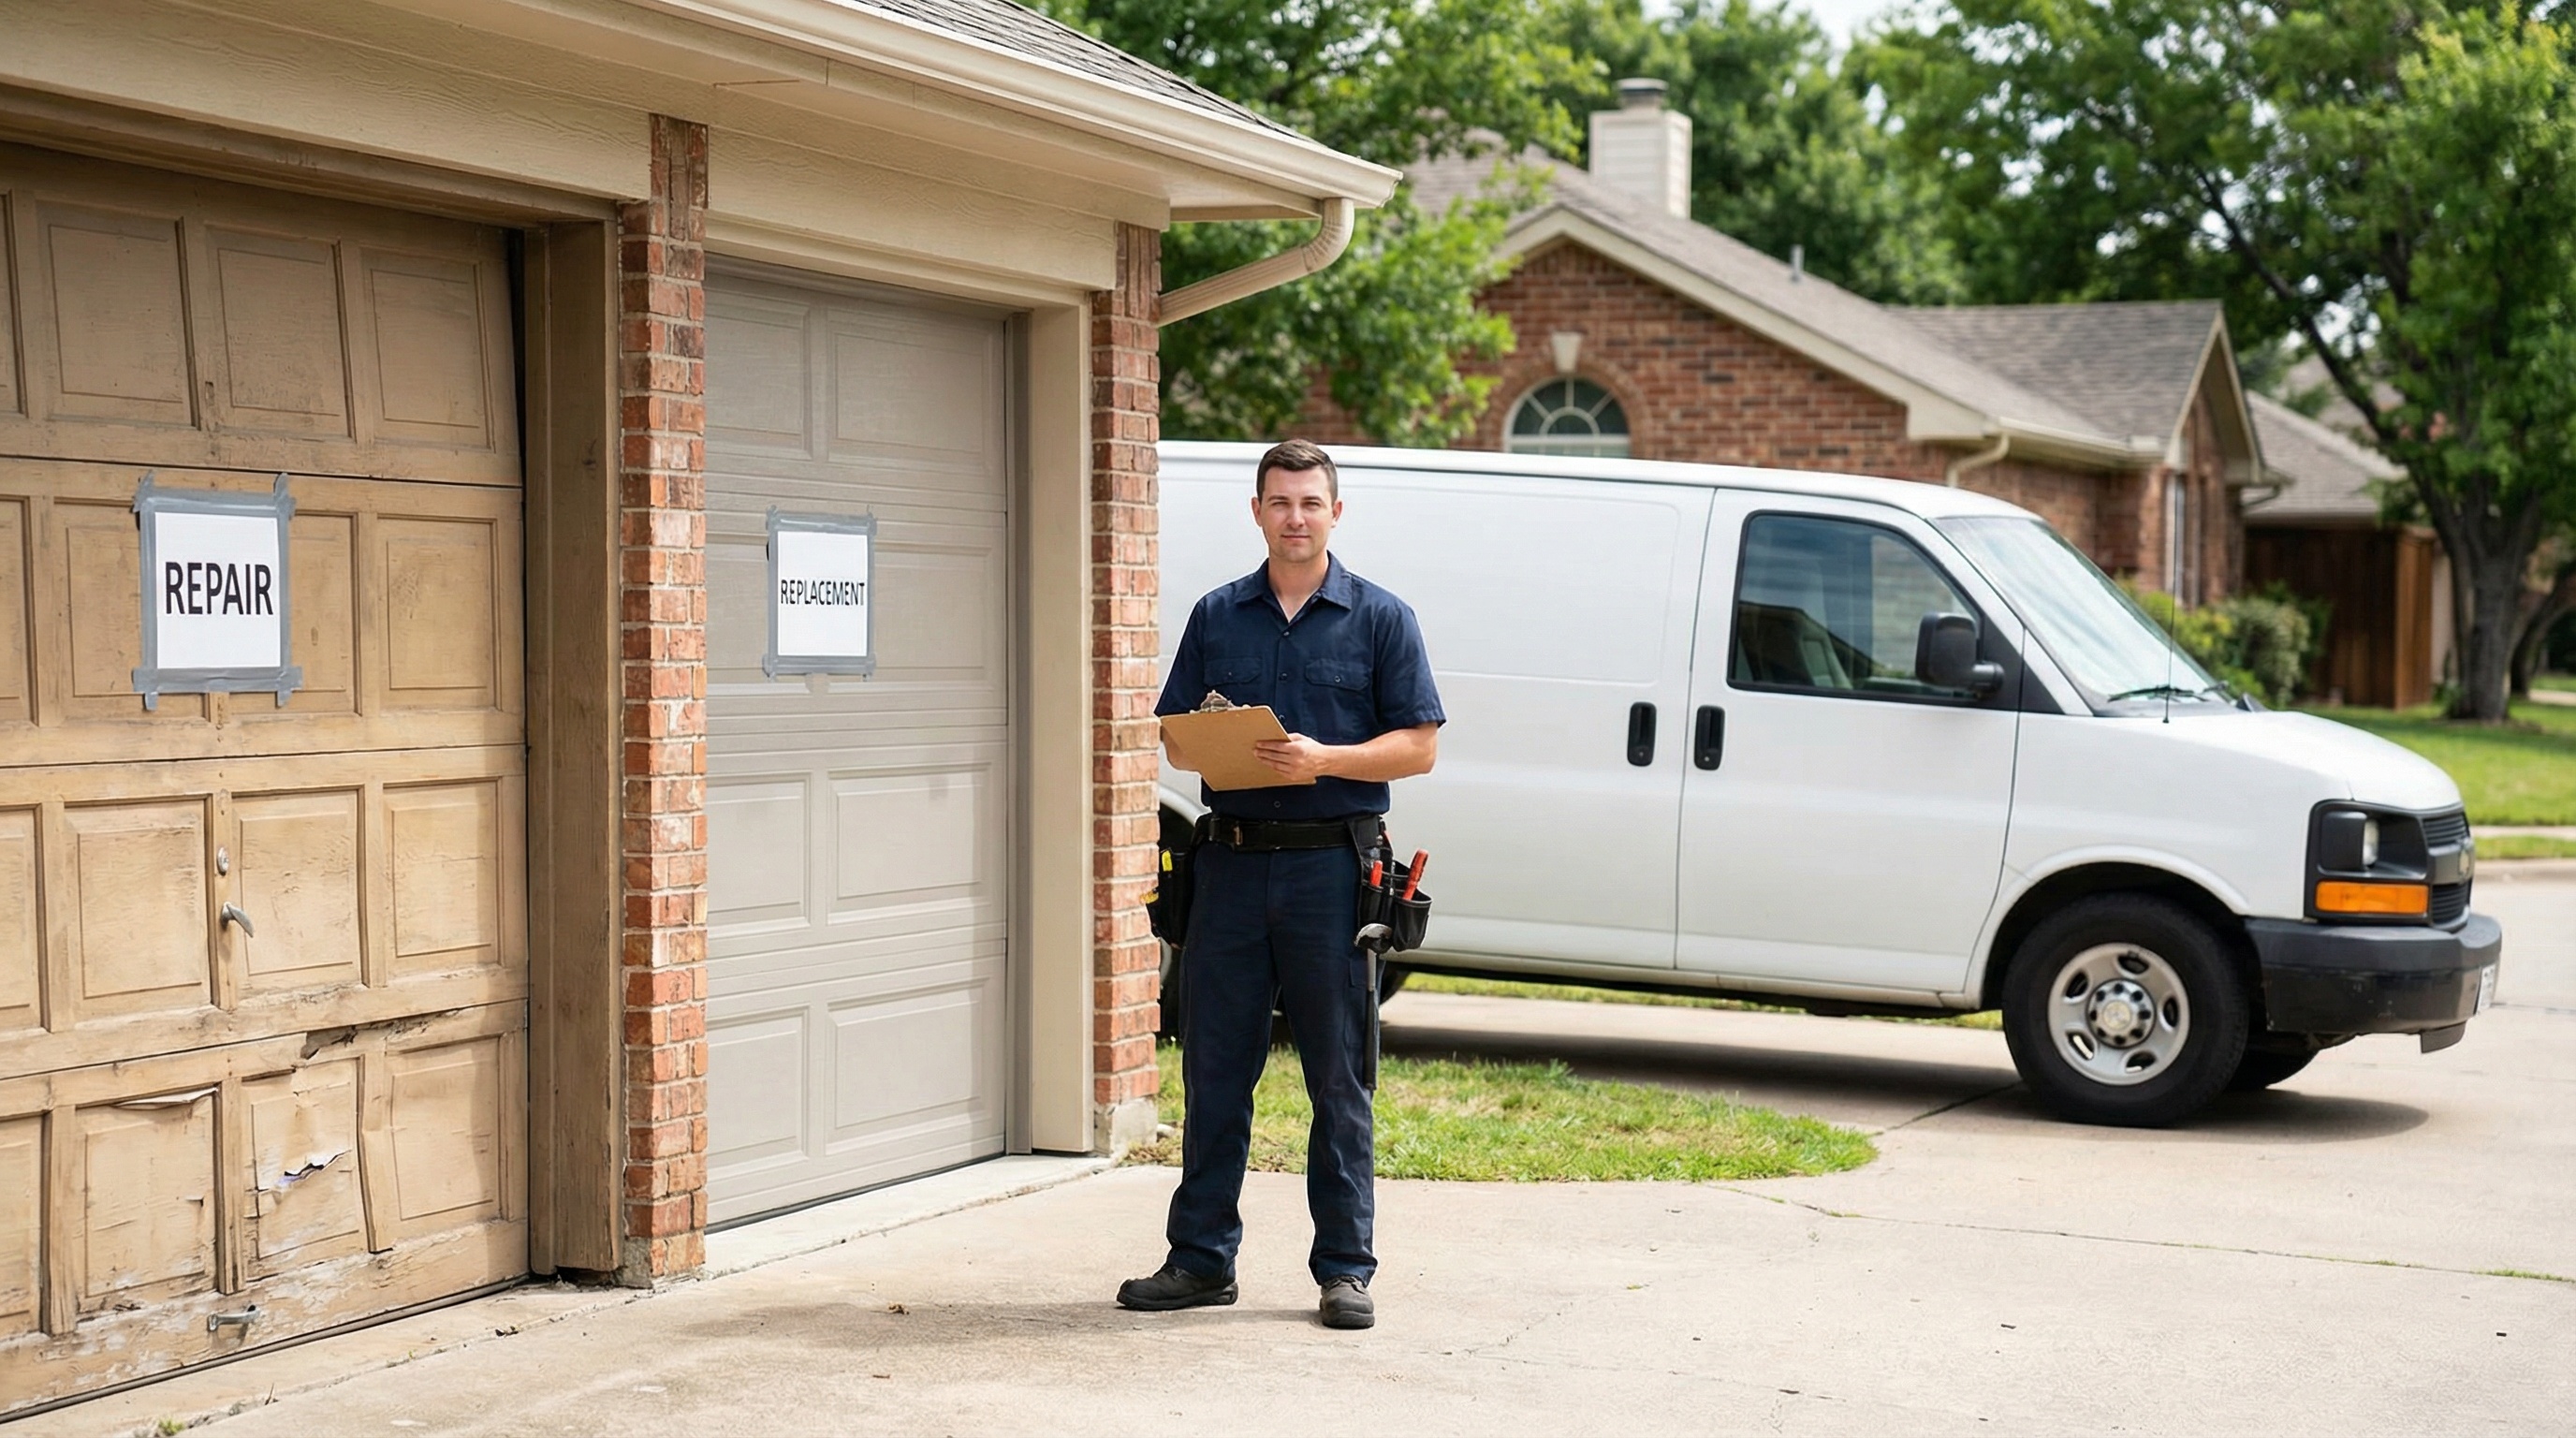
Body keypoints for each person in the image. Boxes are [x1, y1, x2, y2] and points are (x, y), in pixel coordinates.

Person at [1116, 438, 1443, 1331]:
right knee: (1216, 1070)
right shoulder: (1218, 617)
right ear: (1256, 512)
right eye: (1279, 502)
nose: (1294, 517)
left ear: (1336, 512)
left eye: (1310, 502)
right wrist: (1212, 736)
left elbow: (1419, 745)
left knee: (1339, 1077)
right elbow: (1175, 741)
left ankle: (1344, 1270)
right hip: (1228, 867)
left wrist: (1325, 759)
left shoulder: (1381, 619)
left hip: (1332, 874)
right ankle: (1199, 1261)